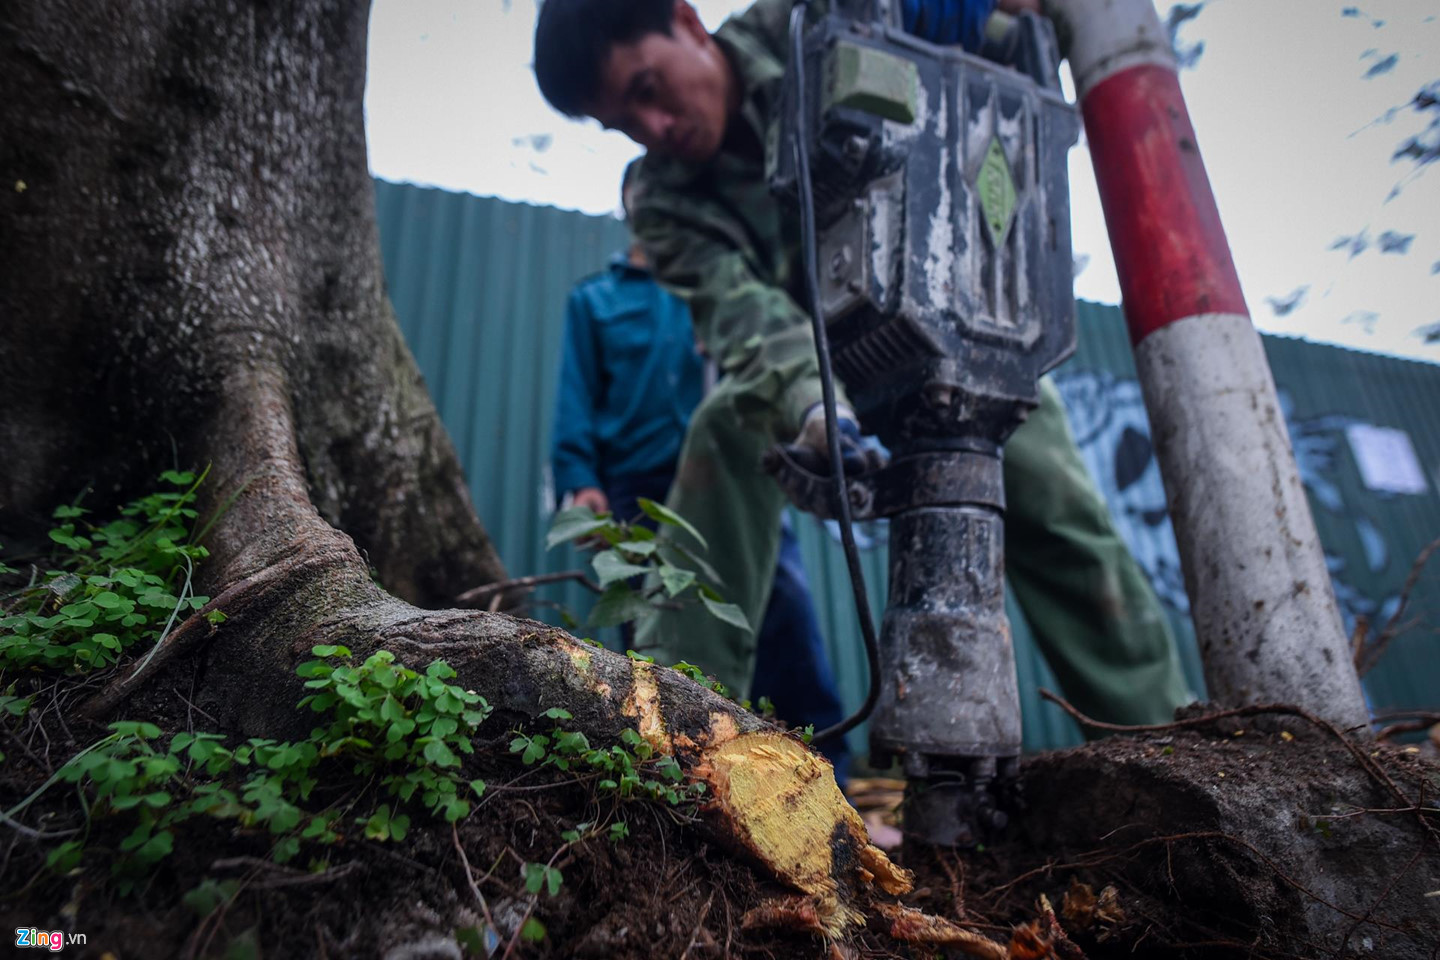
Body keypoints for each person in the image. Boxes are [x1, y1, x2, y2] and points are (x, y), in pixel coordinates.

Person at [533, 0, 1192, 731]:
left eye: (646, 90)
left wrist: (986, 17)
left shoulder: (816, 18)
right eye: (621, 124)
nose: (651, 130)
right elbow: (742, 313)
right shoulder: (661, 199)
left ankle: (1163, 738)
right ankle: (677, 742)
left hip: (963, 323)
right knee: (724, 429)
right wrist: (816, 406)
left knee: (1054, 504)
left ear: (688, 22)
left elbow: (1023, 38)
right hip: (820, 374)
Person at [550, 167, 852, 781]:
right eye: (638, 196)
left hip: (729, 480)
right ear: (628, 208)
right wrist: (580, 480)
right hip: (638, 487)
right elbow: (574, 397)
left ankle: (832, 779)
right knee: (656, 625)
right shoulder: (596, 299)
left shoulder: (707, 284)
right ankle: (680, 775)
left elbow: (760, 352)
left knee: (784, 613)